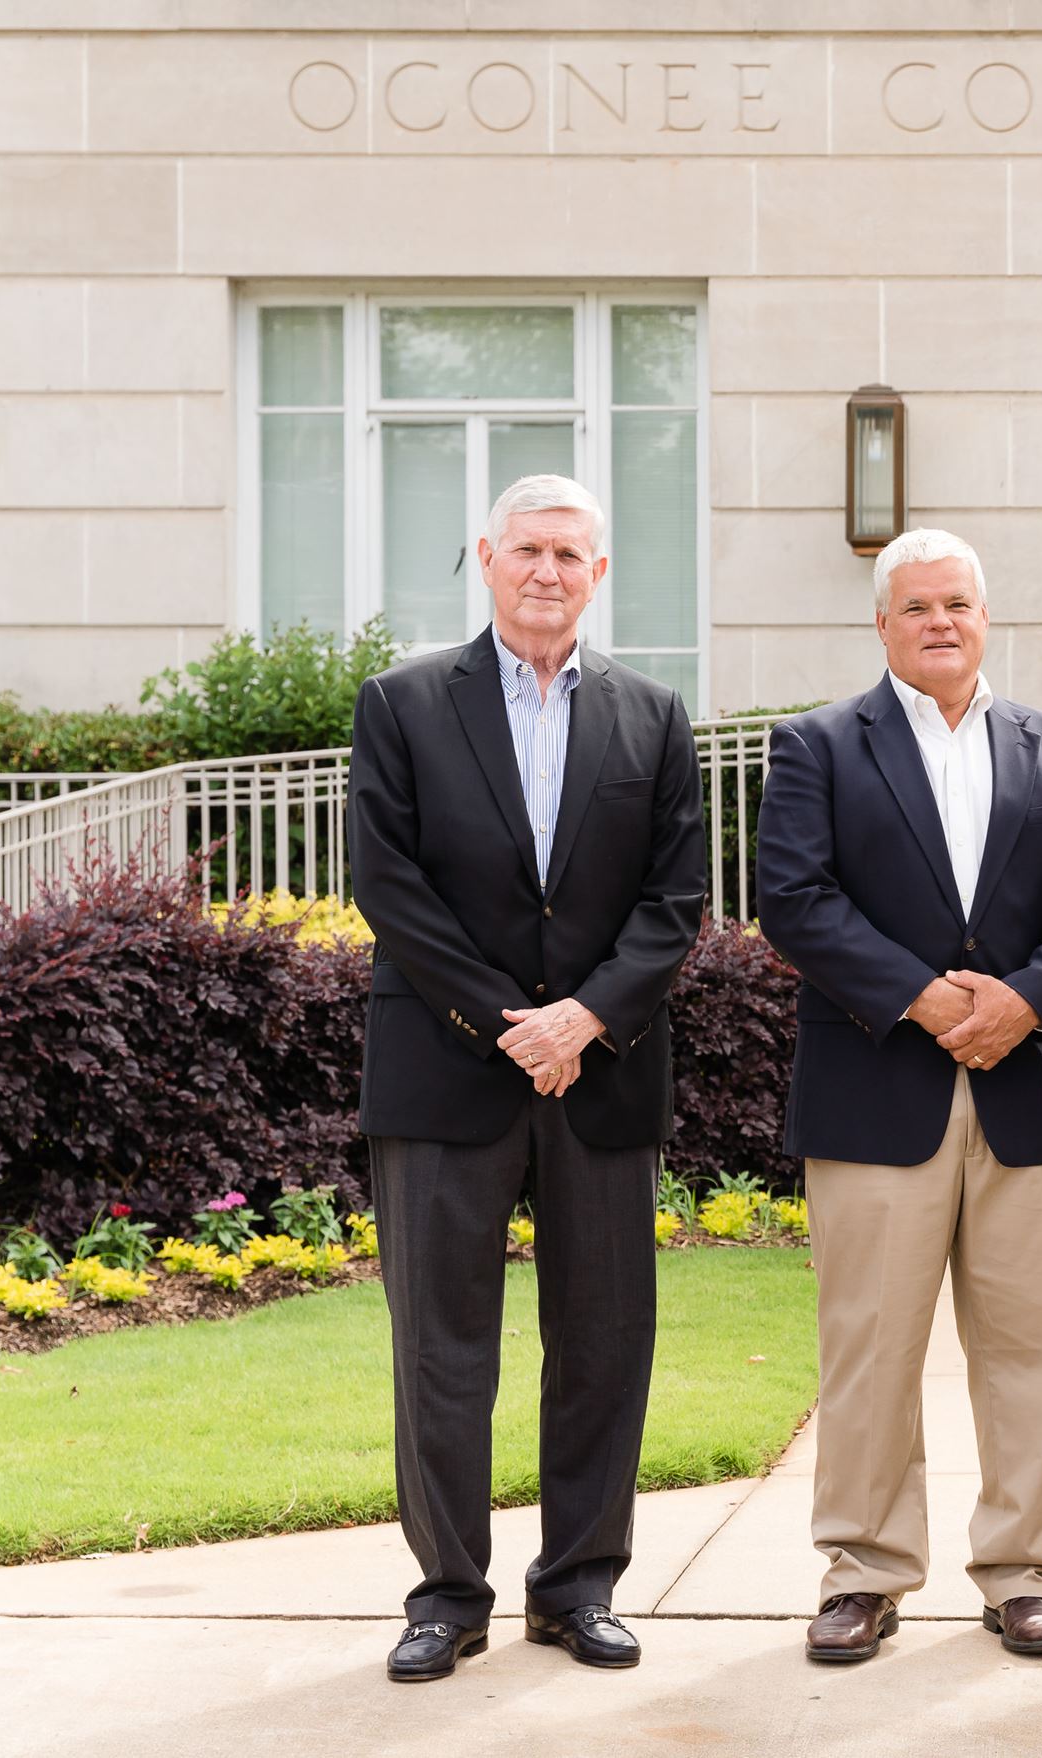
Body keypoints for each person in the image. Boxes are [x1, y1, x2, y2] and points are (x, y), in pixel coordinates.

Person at [350, 473, 707, 1683]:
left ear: (598, 574)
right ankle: (447, 1596)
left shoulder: (653, 717)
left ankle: (578, 1588)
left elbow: (673, 903)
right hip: (447, 1072)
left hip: (599, 1078)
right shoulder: (402, 704)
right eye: (527, 551)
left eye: (570, 553)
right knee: (441, 1350)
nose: (548, 571)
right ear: (486, 560)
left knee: (604, 1344)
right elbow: (388, 888)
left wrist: (585, 1020)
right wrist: (512, 1023)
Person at [755, 528, 1042, 1666]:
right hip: (878, 1091)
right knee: (870, 1345)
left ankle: (1024, 1572)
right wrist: (923, 999)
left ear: (983, 614)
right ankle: (863, 1569)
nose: (939, 624)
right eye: (915, 607)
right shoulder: (817, 745)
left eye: (956, 603)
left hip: (1018, 1090)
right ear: (882, 625)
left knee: (1025, 1345)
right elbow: (794, 899)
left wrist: (1020, 1003)